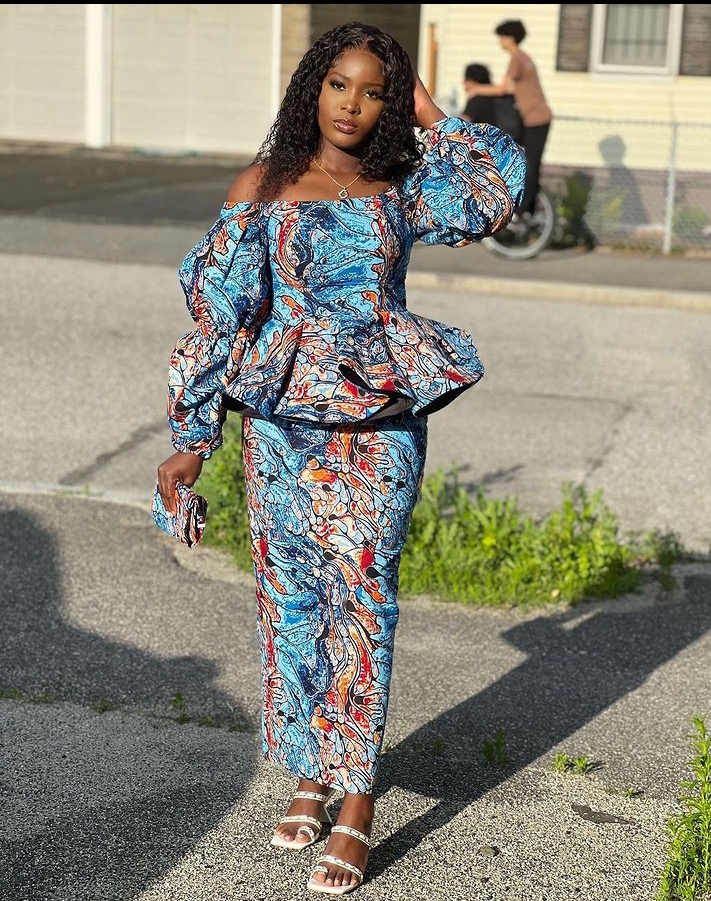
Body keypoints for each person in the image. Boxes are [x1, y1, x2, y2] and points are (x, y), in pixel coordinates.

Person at [156, 21, 525, 896]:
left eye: (373, 90)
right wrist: (191, 439)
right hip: (280, 424)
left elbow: (493, 188)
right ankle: (309, 773)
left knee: (360, 596)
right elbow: (221, 319)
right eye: (338, 84)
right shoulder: (262, 186)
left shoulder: (404, 187)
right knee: (290, 599)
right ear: (310, 88)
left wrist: (426, 107)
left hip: (379, 424)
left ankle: (356, 796)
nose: (353, 105)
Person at [464, 19, 553, 215]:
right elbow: (514, 89)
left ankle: (524, 210)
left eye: (502, 38)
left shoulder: (517, 59)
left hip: (535, 119)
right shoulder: (525, 58)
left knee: (530, 165)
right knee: (529, 162)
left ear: (510, 38)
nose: (500, 42)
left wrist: (477, 89)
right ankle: (528, 206)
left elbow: (503, 88)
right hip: (537, 117)